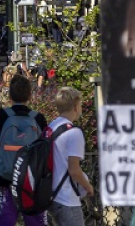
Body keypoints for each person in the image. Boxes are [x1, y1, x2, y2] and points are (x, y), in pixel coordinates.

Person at [0, 73, 48, 226]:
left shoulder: (1, 116)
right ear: (29, 95)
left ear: (10, 95)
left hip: (5, 180)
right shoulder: (38, 118)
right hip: (31, 184)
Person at [46, 87, 94, 226]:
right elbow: (74, 171)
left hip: (51, 196)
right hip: (67, 198)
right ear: (75, 106)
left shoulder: (51, 127)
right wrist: (88, 187)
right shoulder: (74, 133)